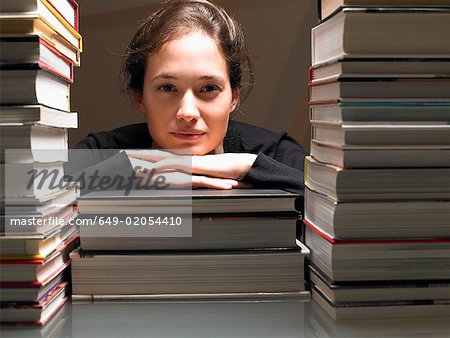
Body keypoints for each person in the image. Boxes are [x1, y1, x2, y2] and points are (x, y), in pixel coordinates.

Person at [75, 0, 306, 195]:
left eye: (208, 88)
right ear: (140, 98)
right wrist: (137, 169)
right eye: (167, 88)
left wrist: (248, 166)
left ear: (234, 97)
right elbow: (43, 197)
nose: (187, 113)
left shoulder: (274, 153)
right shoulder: (102, 150)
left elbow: (331, 199)